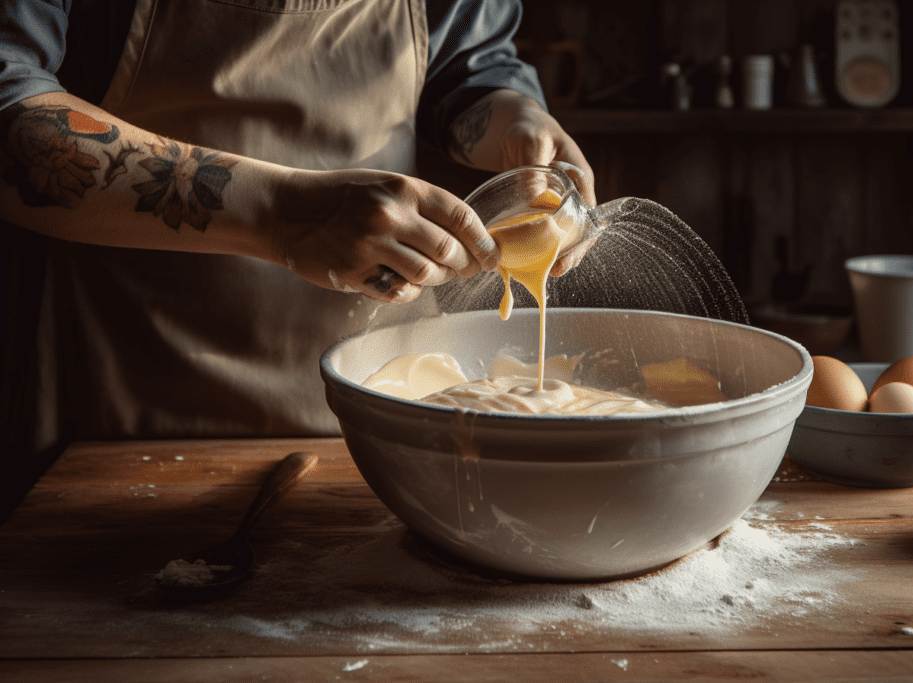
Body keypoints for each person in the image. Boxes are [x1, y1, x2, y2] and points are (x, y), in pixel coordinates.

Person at [0, 0, 595, 499]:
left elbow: (464, 67)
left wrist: (511, 115)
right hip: (122, 408)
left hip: (386, 411)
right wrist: (284, 214)